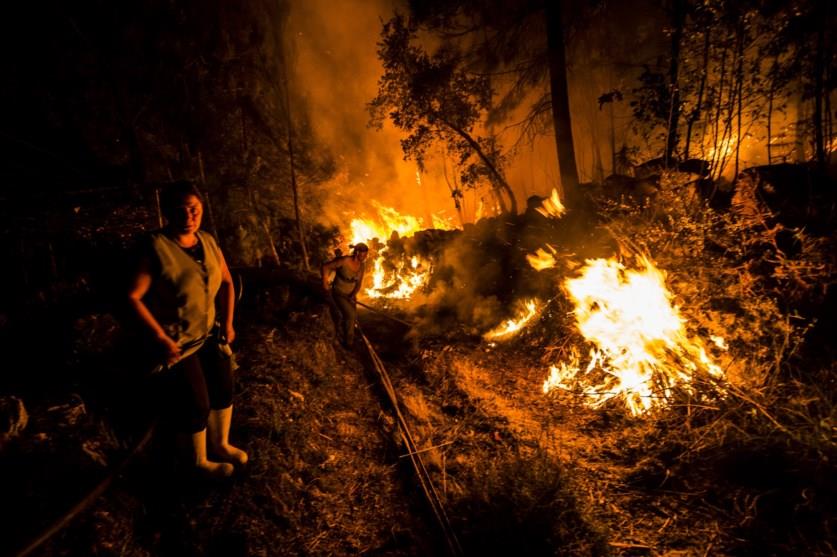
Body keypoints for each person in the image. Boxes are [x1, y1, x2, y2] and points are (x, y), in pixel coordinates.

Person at [128, 182, 248, 478]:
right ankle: (196, 462)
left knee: (223, 386)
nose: (188, 215)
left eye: (193, 208)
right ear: (167, 212)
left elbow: (228, 283)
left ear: (202, 209)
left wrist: (228, 323)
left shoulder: (207, 241)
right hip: (178, 343)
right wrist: (160, 337)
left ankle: (220, 444)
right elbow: (132, 296)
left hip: (209, 333)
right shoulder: (156, 247)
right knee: (196, 402)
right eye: (180, 209)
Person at [321, 243, 368, 347]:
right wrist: (325, 283)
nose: (365, 257)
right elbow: (325, 267)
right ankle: (348, 343)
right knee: (351, 315)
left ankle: (347, 334)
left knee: (352, 316)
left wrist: (353, 295)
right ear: (357, 253)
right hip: (339, 293)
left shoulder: (362, 265)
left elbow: (359, 283)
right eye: (363, 255)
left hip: (350, 295)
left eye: (366, 255)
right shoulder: (344, 261)